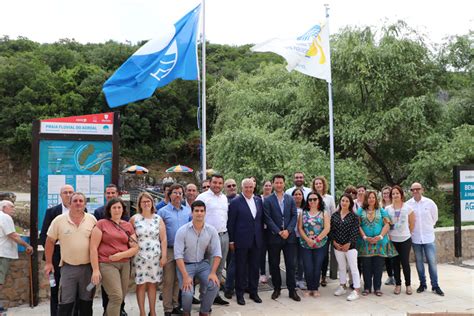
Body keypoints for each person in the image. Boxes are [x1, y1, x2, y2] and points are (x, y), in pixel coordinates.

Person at [44, 192, 97, 315]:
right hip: (68, 268)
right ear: (69, 203)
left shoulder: (92, 219)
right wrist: (48, 263)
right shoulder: (59, 220)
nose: (78, 203)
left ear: (85, 204)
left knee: (86, 303)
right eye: (75, 201)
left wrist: (96, 268)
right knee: (65, 303)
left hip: (88, 268)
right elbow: (49, 241)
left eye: (80, 201)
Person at [90, 198, 139, 316]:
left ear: (123, 210)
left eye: (119, 207)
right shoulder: (101, 223)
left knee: (120, 298)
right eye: (114, 208)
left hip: (125, 264)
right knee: (116, 296)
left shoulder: (127, 226)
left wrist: (120, 255)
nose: (117, 210)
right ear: (109, 210)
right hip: (107, 264)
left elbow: (135, 247)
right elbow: (93, 248)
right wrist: (95, 270)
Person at [174, 200, 221, 316]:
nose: (199, 213)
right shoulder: (182, 231)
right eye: (196, 211)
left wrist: (213, 272)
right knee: (187, 293)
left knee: (214, 285)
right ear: (192, 212)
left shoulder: (211, 230)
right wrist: (185, 276)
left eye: (201, 211)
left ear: (205, 213)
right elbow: (178, 255)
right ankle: (186, 312)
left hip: (202, 264)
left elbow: (217, 253)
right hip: (185, 265)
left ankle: (204, 311)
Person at [92, 184, 129, 315]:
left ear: (117, 194)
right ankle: (106, 310)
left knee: (120, 292)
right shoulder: (99, 213)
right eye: (108, 193)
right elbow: (96, 241)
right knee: (111, 292)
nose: (110, 195)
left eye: (113, 193)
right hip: (106, 260)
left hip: (123, 261)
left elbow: (129, 237)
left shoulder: (124, 215)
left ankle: (119, 310)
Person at [263, 174, 301, 302]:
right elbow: (267, 218)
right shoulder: (268, 200)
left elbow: (294, 216)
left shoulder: (290, 199)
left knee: (291, 264)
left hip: (289, 238)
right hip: (274, 237)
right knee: (274, 264)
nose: (279, 185)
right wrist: (279, 231)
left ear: (284, 184)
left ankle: (292, 290)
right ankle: (277, 288)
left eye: (281, 182)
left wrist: (288, 230)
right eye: (276, 183)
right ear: (273, 184)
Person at [227, 178, 264, 305]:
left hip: (256, 240)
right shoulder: (236, 202)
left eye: (251, 187)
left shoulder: (258, 201)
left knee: (254, 268)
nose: (249, 189)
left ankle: (254, 292)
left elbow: (260, 220)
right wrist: (231, 241)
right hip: (241, 241)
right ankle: (240, 294)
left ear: (254, 187)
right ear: (242, 188)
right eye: (246, 187)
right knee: (241, 269)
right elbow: (231, 223)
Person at [39, 184, 75, 316]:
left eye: (71, 192)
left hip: (73, 254)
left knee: (72, 288)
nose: (69, 195)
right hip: (55, 254)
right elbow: (43, 236)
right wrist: (51, 253)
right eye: (65, 192)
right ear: (61, 195)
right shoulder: (52, 212)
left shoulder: (82, 211)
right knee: (55, 288)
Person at [130, 192, 167, 316]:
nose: (146, 204)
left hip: (155, 257)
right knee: (141, 285)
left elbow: (163, 239)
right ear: (139, 204)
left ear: (152, 203)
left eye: (148, 201)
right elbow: (130, 237)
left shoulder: (158, 218)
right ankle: (142, 312)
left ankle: (153, 311)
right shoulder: (134, 219)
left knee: (153, 285)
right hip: (140, 257)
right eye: (143, 202)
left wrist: (164, 255)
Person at [196, 174, 230, 306]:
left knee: (220, 268)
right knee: (208, 270)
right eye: (214, 182)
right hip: (208, 237)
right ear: (210, 183)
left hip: (223, 235)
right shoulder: (203, 197)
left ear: (222, 185)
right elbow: (195, 216)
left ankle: (215, 295)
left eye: (220, 183)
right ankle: (205, 298)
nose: (217, 185)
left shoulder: (224, 198)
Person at [158, 184, 191, 316]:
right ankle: (167, 308)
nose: (178, 195)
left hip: (183, 250)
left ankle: (175, 304)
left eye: (180, 193)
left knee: (179, 279)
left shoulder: (187, 211)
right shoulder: (163, 212)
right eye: (175, 193)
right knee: (168, 280)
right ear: (169, 194)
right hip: (169, 249)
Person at [406, 182, 445, 296]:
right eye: (413, 189)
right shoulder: (408, 205)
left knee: (432, 262)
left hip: (428, 238)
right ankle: (422, 284)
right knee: (419, 263)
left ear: (422, 190)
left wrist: (427, 228)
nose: (415, 191)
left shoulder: (430, 203)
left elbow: (434, 218)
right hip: (416, 238)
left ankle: (435, 286)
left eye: (417, 189)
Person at [356, 190, 396, 296]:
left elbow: (387, 224)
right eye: (369, 197)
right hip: (365, 243)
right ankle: (367, 288)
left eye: (373, 197)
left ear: (376, 199)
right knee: (366, 266)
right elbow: (357, 225)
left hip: (379, 243)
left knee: (378, 266)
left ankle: (377, 288)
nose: (371, 199)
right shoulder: (360, 210)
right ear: (366, 199)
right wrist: (365, 237)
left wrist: (380, 236)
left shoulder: (381, 210)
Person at [0, 200, 33, 313]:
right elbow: (12, 235)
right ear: (4, 208)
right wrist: (26, 245)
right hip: (2, 253)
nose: (13, 209)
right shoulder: (5, 217)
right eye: (11, 207)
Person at [297, 192, 330, 297]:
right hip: (305, 244)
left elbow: (327, 228)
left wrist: (316, 240)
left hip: (320, 244)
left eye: (315, 199)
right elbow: (300, 228)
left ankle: (315, 288)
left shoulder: (323, 213)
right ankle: (309, 287)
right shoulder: (303, 212)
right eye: (310, 200)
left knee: (317, 266)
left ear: (319, 200)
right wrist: (307, 240)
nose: (312, 201)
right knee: (307, 266)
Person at [385, 185, 415, 295]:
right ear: (391, 196)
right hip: (393, 240)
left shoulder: (408, 208)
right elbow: (386, 224)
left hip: (405, 239)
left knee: (405, 263)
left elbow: (412, 223)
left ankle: (408, 285)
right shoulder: (387, 209)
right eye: (393, 193)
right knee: (395, 263)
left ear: (401, 194)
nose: (395, 195)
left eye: (397, 193)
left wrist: (407, 233)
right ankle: (398, 285)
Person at [330, 194, 361, 301]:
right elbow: (331, 230)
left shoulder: (354, 217)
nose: (344, 203)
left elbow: (355, 232)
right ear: (340, 202)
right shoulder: (334, 216)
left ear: (350, 203)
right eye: (342, 200)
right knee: (342, 267)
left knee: (353, 268)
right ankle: (342, 286)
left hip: (351, 247)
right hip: (337, 246)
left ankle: (356, 290)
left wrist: (349, 243)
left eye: (347, 201)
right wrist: (334, 242)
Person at [312, 176, 336, 287]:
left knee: (324, 254)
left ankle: (323, 276)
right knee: (314, 254)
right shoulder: (311, 197)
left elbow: (333, 214)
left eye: (320, 183)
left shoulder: (329, 198)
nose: (318, 185)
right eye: (316, 184)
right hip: (313, 230)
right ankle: (314, 276)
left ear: (323, 185)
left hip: (326, 230)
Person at [380, 186, 395, 286]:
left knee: (395, 257)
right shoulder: (380, 206)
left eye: (387, 193)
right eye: (384, 193)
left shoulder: (395, 205)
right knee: (387, 257)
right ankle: (390, 276)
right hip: (384, 235)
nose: (386, 195)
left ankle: (396, 277)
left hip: (395, 235)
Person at [258, 180, 273, 284]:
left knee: (273, 253)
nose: (267, 187)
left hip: (272, 230)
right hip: (261, 230)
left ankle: (272, 273)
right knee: (261, 253)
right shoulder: (258, 199)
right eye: (266, 185)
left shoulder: (275, 198)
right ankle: (262, 273)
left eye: (269, 185)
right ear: (262, 187)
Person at [292, 188, 306, 290]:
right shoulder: (289, 208)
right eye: (295, 194)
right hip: (292, 237)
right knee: (293, 260)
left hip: (302, 237)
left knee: (301, 261)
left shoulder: (306, 208)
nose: (297, 196)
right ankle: (292, 281)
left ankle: (300, 279)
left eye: (299, 194)